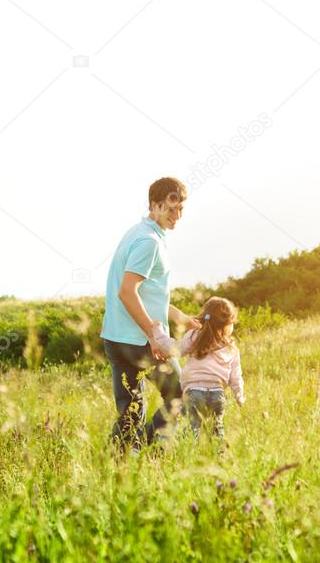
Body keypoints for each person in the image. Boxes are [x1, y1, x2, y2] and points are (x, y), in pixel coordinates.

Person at [100, 177, 201, 452]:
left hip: (116, 338)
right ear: (154, 205)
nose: (176, 216)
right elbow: (127, 292)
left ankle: (119, 458)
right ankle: (148, 448)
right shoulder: (150, 242)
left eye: (180, 209)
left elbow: (145, 293)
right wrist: (154, 335)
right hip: (139, 341)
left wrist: (177, 317)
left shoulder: (137, 233)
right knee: (183, 394)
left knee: (131, 410)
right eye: (170, 209)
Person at [178, 297, 245, 442]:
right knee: (217, 428)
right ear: (227, 325)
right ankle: (219, 457)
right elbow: (236, 376)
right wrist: (239, 395)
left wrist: (157, 335)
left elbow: (177, 350)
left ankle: (187, 457)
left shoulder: (194, 336)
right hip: (217, 394)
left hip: (193, 393)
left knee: (191, 428)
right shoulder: (231, 347)